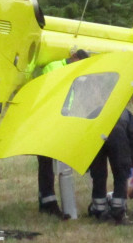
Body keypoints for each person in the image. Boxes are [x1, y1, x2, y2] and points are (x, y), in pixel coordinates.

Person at [36, 49, 89, 218]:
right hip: (48, 119)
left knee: (59, 163)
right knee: (46, 161)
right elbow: (53, 91)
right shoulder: (54, 66)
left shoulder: (76, 71)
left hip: (63, 119)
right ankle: (48, 201)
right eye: (79, 63)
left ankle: (48, 200)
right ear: (73, 57)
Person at [87, 108, 133, 223]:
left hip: (95, 134)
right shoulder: (126, 112)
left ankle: (99, 209)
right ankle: (118, 210)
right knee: (121, 174)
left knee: (98, 175)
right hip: (118, 134)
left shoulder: (94, 111)